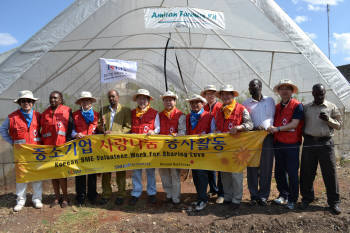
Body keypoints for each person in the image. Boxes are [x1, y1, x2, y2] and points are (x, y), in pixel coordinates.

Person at [300, 84, 342, 215]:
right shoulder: (306, 107)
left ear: (325, 93)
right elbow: (301, 124)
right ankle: (307, 198)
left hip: (326, 143)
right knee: (307, 172)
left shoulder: (331, 107)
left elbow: (339, 125)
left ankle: (334, 202)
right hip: (309, 142)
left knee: (330, 173)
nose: (319, 96)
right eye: (317, 93)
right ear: (312, 93)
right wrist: (306, 137)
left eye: (322, 94)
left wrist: (328, 119)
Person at [211, 85, 253, 210]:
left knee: (236, 174)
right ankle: (228, 196)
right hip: (223, 147)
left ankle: (237, 199)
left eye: (228, 94)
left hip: (237, 149)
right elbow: (216, 127)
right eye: (223, 94)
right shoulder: (218, 111)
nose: (225, 96)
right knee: (224, 174)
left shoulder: (241, 109)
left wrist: (239, 127)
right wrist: (217, 131)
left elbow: (250, 124)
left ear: (233, 95)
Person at [0, 90, 43, 212]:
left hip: (35, 150)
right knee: (21, 176)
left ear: (33, 103)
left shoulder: (38, 116)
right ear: (19, 103)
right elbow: (3, 130)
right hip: (21, 153)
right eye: (23, 101)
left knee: (37, 174)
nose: (26, 103)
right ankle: (20, 200)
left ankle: (37, 199)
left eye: (29, 101)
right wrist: (12, 142)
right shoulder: (12, 117)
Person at [267, 80, 304, 210]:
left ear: (292, 91)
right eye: (282, 88)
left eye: (287, 88)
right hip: (278, 143)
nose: (284, 91)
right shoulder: (277, 107)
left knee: (292, 172)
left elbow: (294, 124)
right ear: (279, 92)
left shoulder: (297, 106)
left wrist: (277, 129)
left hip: (292, 144)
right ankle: (283, 194)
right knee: (279, 172)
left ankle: (293, 199)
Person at [243, 79, 275, 206]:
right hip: (252, 138)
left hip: (267, 137)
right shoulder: (246, 103)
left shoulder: (270, 100)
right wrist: (254, 128)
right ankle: (253, 195)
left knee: (266, 167)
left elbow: (273, 117)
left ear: (260, 87)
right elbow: (245, 121)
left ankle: (263, 196)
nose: (251, 89)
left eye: (254, 86)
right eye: (250, 87)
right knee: (252, 167)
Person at [98, 89, 131, 205]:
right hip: (106, 145)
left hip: (119, 145)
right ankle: (106, 193)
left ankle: (121, 194)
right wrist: (102, 128)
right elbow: (98, 126)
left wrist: (115, 134)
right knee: (106, 170)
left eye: (113, 96)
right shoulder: (103, 110)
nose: (111, 99)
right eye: (109, 97)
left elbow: (128, 127)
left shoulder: (125, 110)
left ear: (118, 97)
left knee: (120, 170)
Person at [41, 91, 73, 208]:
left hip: (62, 147)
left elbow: (70, 128)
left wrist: (68, 143)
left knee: (62, 173)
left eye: (55, 98)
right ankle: (56, 197)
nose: (53, 100)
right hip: (49, 148)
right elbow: (42, 131)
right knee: (53, 173)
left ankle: (65, 198)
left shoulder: (67, 110)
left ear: (60, 99)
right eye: (51, 98)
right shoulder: (45, 113)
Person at [129, 89, 159, 205]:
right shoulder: (132, 113)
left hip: (149, 146)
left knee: (150, 170)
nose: (142, 101)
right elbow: (128, 127)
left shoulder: (154, 113)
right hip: (135, 147)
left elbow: (158, 128)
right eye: (140, 98)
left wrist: (153, 131)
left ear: (148, 100)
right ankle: (136, 193)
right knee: (136, 170)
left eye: (144, 98)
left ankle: (151, 193)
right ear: (137, 100)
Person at [72, 91, 99, 206]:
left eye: (88, 100)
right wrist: (75, 134)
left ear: (91, 102)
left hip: (93, 148)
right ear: (81, 103)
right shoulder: (74, 115)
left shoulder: (97, 115)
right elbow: (71, 130)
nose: (86, 102)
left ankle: (92, 195)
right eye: (83, 100)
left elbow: (99, 131)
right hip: (79, 148)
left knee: (92, 172)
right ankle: (80, 196)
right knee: (80, 172)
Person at [159, 91, 186, 205]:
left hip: (175, 149)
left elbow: (183, 131)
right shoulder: (159, 115)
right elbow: (156, 129)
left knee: (174, 173)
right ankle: (168, 194)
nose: (168, 102)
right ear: (163, 102)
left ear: (175, 101)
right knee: (163, 172)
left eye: (171, 100)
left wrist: (175, 136)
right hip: (161, 149)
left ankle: (176, 196)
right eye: (166, 100)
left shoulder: (181, 115)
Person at [185, 94, 212, 211]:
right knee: (195, 174)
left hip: (204, 150)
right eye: (192, 103)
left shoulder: (209, 116)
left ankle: (203, 199)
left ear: (203, 104)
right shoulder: (188, 117)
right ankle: (200, 196)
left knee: (202, 174)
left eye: (197, 102)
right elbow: (186, 132)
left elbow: (213, 132)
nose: (195, 105)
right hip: (192, 150)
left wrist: (207, 135)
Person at [200, 85, 224, 204]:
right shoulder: (203, 108)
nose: (210, 95)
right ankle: (213, 188)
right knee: (209, 166)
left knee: (220, 167)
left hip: (219, 140)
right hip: (206, 141)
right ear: (205, 95)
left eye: (212, 93)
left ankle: (221, 193)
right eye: (208, 93)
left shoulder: (221, 107)